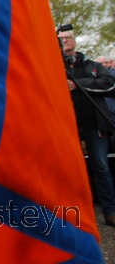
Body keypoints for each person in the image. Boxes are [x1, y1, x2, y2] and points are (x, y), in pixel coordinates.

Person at [60, 29, 115, 226]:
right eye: (61, 39)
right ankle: (68, 212)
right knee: (66, 168)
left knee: (101, 167)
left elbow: (110, 85)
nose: (65, 41)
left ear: (75, 41)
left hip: (94, 124)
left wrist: (78, 84)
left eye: (68, 38)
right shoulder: (54, 65)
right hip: (66, 126)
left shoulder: (92, 65)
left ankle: (110, 211)